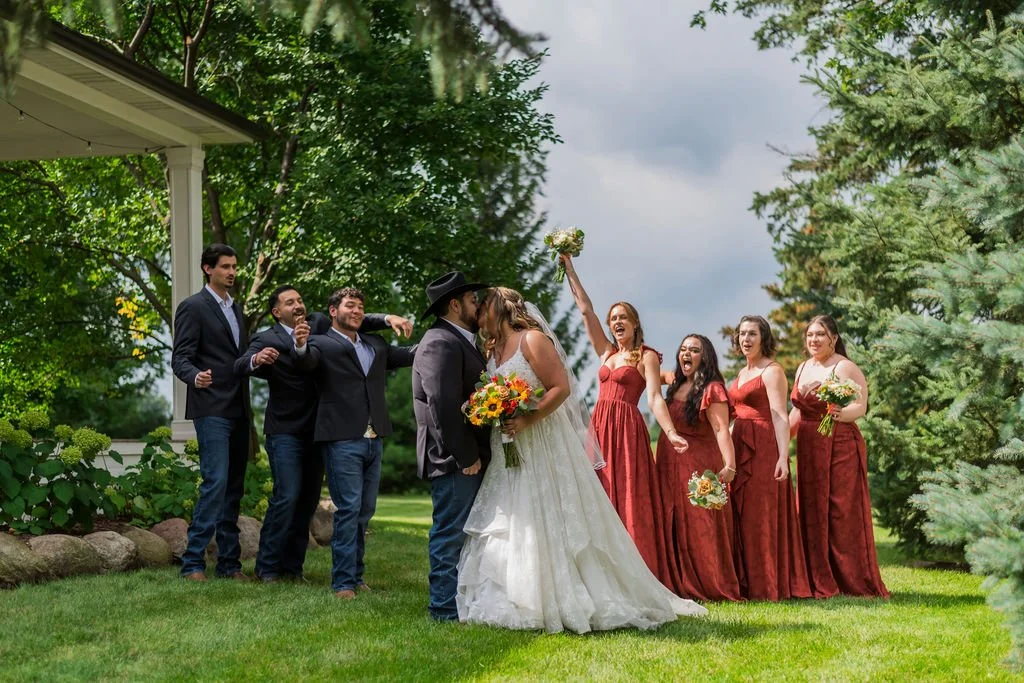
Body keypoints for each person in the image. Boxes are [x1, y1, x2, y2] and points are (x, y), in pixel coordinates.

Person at [457, 287, 707, 633]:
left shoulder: (533, 340)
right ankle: (511, 592)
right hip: (510, 445)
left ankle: (565, 591)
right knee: (515, 511)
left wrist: (529, 418)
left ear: (498, 308)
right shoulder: (491, 348)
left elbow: (561, 387)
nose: (476, 314)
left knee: (550, 511)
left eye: (481, 307)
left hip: (542, 439)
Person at [234, 284, 411, 583]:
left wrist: (386, 318)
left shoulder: (318, 324)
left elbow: (355, 318)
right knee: (287, 496)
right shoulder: (267, 338)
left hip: (324, 429)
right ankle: (267, 568)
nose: (299, 305)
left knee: (307, 500)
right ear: (277, 312)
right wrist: (257, 359)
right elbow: (240, 365)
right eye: (290, 302)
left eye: (300, 299)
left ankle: (293, 568)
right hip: (287, 430)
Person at [559, 254, 687, 574]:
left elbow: (656, 398)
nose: (617, 322)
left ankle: (635, 571)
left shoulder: (647, 357)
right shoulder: (606, 352)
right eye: (613, 318)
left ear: (635, 323)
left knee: (628, 496)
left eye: (623, 318)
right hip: (599, 428)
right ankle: (600, 569)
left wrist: (670, 432)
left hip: (628, 430)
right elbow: (585, 310)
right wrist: (570, 270)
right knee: (597, 492)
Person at [297, 287, 416, 599]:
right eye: (350, 305)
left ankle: (357, 575)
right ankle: (343, 583)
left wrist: (445, 338)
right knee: (348, 509)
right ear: (333, 311)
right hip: (341, 438)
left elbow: (410, 355)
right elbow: (306, 363)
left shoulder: (376, 344)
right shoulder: (319, 341)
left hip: (374, 438)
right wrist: (298, 346)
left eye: (361, 306)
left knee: (365, 511)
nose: (357, 310)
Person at [789, 315, 889, 598]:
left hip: (839, 444)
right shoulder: (802, 367)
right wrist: (781, 440)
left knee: (839, 509)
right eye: (810, 335)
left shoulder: (845, 366)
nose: (814, 340)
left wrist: (840, 414)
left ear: (833, 337)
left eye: (820, 334)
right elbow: (797, 411)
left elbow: (861, 404)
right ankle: (813, 575)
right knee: (810, 507)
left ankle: (848, 577)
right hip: (809, 445)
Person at [411, 271, 491, 622]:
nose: (479, 305)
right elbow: (442, 403)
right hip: (452, 457)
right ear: (455, 304)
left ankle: (459, 603)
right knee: (449, 533)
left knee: (462, 532)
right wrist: (466, 455)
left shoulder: (461, 340)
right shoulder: (439, 341)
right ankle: (442, 609)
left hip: (465, 455)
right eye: (474, 300)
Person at [170, 243, 251, 582]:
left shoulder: (238, 310)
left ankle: (230, 564)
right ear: (208, 269)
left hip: (239, 407)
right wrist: (194, 376)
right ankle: (192, 562)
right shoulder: (193, 307)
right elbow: (180, 358)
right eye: (225, 267)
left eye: (234, 267)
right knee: (215, 482)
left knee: (233, 486)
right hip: (211, 406)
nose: (231, 272)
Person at [727, 315, 812, 601]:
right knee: (740, 513)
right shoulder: (740, 374)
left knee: (759, 515)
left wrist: (782, 456)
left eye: (752, 334)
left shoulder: (772, 371)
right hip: (740, 444)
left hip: (764, 446)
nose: (746, 339)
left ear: (764, 338)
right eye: (742, 334)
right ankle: (745, 581)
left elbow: (778, 414)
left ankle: (766, 583)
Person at [656, 334, 742, 601]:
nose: (686, 354)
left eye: (694, 350)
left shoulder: (713, 388)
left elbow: (721, 429)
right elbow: (645, 373)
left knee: (699, 524)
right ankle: (675, 580)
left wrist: (730, 465)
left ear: (704, 357)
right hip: (669, 462)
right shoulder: (676, 382)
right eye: (682, 349)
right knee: (672, 521)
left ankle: (707, 583)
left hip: (698, 464)